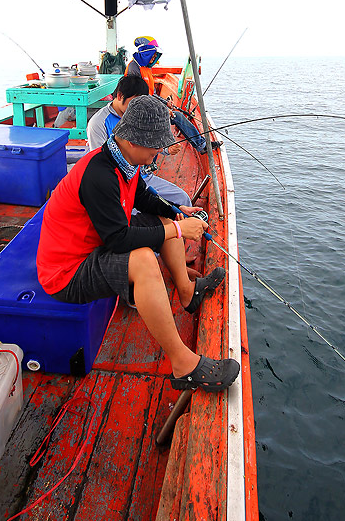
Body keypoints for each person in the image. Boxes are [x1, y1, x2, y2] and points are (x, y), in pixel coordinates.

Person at [36, 95, 239, 393]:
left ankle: (187, 292)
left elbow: (144, 197)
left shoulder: (121, 161)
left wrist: (176, 213)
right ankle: (183, 365)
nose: (160, 150)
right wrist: (180, 230)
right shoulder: (99, 175)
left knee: (164, 223)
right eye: (156, 144)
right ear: (134, 142)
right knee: (143, 258)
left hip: (91, 249)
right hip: (65, 274)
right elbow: (118, 239)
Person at [87, 74, 191, 207]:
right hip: (118, 183)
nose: (137, 108)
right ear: (119, 96)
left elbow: (148, 142)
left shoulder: (140, 115)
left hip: (143, 177)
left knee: (183, 200)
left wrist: (166, 149)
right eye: (134, 102)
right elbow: (100, 163)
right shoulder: (98, 123)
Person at [125, 36, 221, 155]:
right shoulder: (133, 68)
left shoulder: (146, 68)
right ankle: (155, 154)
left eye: (155, 56)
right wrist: (163, 110)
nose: (154, 58)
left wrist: (165, 103)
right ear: (145, 53)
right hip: (139, 113)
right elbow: (138, 98)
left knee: (178, 116)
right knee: (168, 121)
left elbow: (152, 94)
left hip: (148, 107)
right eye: (152, 55)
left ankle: (201, 145)